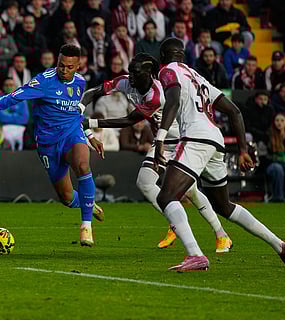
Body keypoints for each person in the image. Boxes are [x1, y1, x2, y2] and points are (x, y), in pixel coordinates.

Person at [153, 38, 285, 271]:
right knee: (224, 206)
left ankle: (195, 255)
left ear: (163, 56)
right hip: (215, 139)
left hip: (195, 137)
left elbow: (173, 99)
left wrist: (160, 138)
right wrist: (242, 149)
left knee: (165, 196)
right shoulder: (196, 76)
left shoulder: (167, 71)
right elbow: (234, 111)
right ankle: (281, 246)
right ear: (183, 55)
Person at [81, 53, 233, 252]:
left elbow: (130, 120)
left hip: (179, 140)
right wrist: (80, 106)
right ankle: (178, 224)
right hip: (161, 142)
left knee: (191, 191)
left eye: (135, 73)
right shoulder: (126, 82)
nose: (131, 77)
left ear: (150, 74)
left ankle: (221, 234)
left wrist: (91, 122)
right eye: (130, 72)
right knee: (145, 182)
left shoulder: (157, 94)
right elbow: (95, 91)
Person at [0, 44, 105, 246]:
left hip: (72, 134)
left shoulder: (80, 83)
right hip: (48, 143)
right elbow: (13, 97)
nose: (64, 70)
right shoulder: (43, 81)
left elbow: (76, 112)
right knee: (66, 197)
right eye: (61, 65)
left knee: (82, 165)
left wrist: (89, 135)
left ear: (78, 66)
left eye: (69, 67)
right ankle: (88, 204)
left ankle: (86, 227)